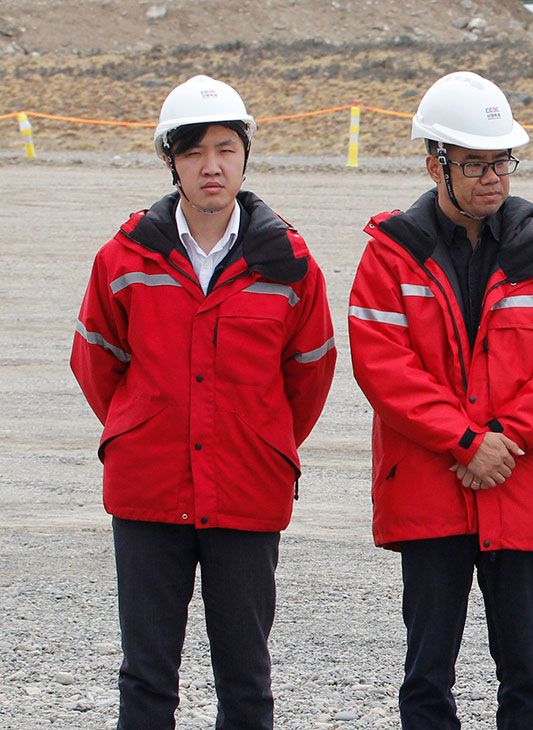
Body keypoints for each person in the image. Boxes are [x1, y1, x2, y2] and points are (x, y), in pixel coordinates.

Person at [69, 74, 337, 728]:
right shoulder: (126, 256)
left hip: (247, 489)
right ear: (171, 161)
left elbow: (308, 374)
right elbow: (96, 359)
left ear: (246, 154)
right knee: (147, 673)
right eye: (192, 152)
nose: (210, 166)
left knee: (246, 677)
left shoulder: (289, 263)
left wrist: (258, 437)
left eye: (225, 148)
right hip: (148, 488)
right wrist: (142, 426)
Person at [347, 71, 533, 729]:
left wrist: (500, 442)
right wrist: (464, 443)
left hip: (520, 484)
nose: (493, 177)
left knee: (526, 676)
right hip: (433, 488)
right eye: (474, 163)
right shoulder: (390, 257)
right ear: (436, 164)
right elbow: (383, 367)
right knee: (428, 677)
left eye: (501, 162)